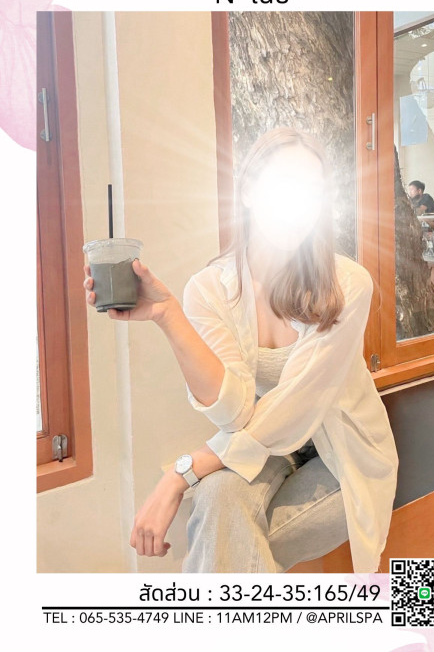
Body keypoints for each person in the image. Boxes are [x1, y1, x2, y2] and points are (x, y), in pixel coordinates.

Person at [84, 127, 398, 573]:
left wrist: (182, 472)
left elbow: (299, 404)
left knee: (222, 543)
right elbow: (233, 412)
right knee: (217, 499)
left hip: (344, 452)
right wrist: (169, 316)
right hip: (263, 446)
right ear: (248, 190)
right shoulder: (210, 289)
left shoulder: (348, 284)